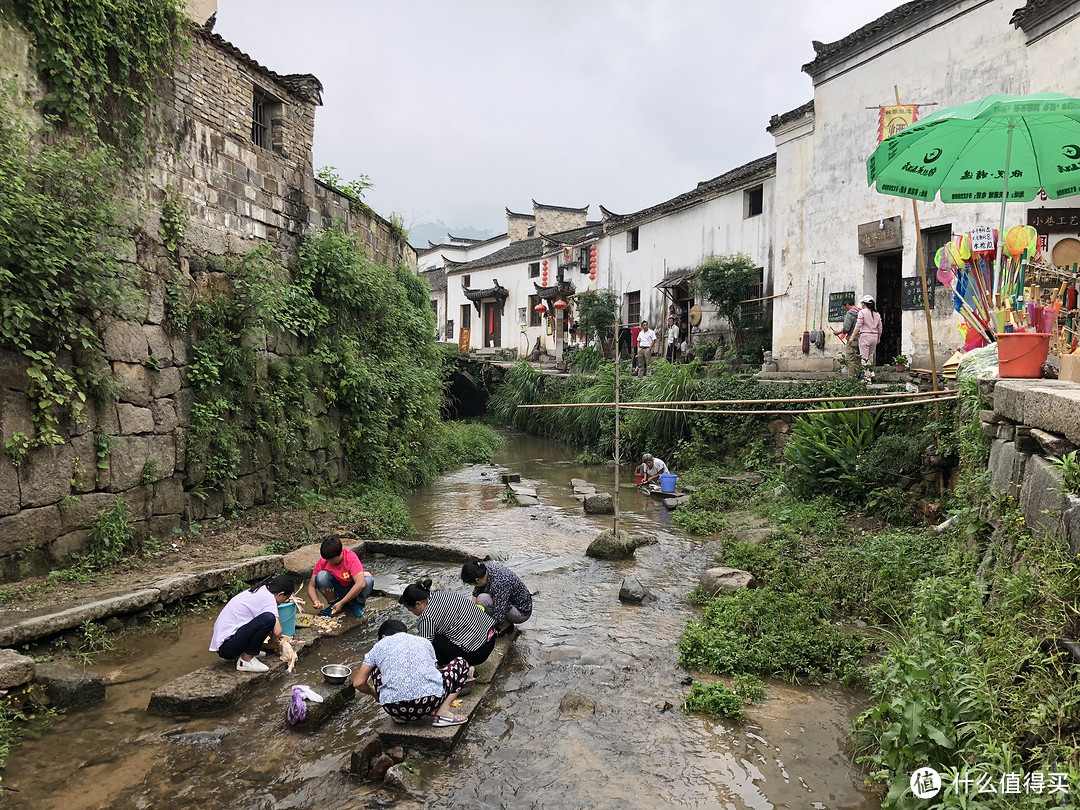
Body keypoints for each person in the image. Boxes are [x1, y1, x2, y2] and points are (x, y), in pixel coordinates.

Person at [352, 619, 472, 727]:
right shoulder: (423, 641)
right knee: (461, 663)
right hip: (429, 704)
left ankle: (399, 717)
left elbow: (358, 683)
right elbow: (433, 673)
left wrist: (375, 694)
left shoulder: (378, 646)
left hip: (394, 707)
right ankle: (443, 713)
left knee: (374, 666)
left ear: (383, 636)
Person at [400, 578, 497, 667]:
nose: (412, 613)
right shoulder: (442, 594)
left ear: (418, 604)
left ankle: (458, 669)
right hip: (491, 637)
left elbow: (424, 648)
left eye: (411, 610)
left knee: (434, 643)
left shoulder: (427, 617)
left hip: (478, 653)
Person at [210, 574, 294, 672]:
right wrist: (274, 641)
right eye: (286, 598)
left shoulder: (261, 590)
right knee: (268, 618)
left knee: (265, 620)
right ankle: (246, 659)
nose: (284, 602)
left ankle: (249, 651)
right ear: (280, 594)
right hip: (228, 648)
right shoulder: (269, 599)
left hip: (225, 643)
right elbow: (278, 631)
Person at [308, 535, 374, 619]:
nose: (331, 562)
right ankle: (333, 605)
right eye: (328, 560)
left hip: (353, 592)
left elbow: (360, 584)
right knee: (321, 576)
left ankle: (358, 605)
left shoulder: (350, 558)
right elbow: (311, 586)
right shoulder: (323, 562)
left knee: (368, 581)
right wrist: (315, 601)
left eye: (333, 559)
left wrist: (342, 602)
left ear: (341, 552)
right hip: (338, 591)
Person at [461, 561, 532, 635]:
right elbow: (476, 592)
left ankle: (505, 626)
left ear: (477, 580)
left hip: (521, 612)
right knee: (480, 599)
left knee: (483, 599)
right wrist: (473, 610)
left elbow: (499, 614)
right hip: (509, 602)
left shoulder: (500, 583)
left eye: (471, 584)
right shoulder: (483, 571)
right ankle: (505, 622)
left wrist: (482, 628)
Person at [850, 294, 883, 381]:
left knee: (864, 358)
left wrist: (852, 337)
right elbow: (880, 327)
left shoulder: (862, 312)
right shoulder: (877, 314)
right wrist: (879, 338)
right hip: (874, 337)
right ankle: (871, 373)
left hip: (865, 336)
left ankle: (867, 377)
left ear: (864, 304)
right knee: (869, 356)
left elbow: (858, 325)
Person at [831, 297, 861, 378]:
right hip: (862, 340)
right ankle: (860, 376)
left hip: (852, 340)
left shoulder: (850, 313)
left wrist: (838, 332)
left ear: (847, 304)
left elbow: (847, 328)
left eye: (844, 306)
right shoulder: (861, 312)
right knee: (859, 360)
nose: (844, 309)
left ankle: (852, 379)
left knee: (850, 360)